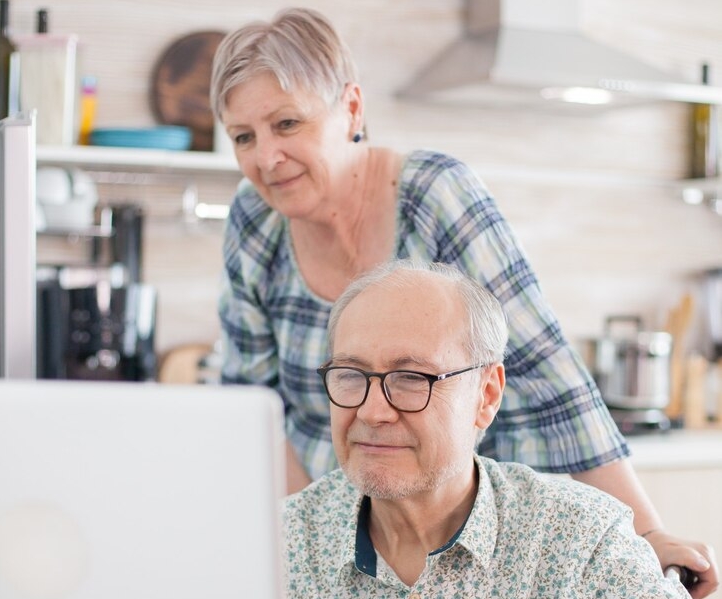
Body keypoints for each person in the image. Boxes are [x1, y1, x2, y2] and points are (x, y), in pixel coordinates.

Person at [210, 7, 717, 596]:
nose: (265, 158)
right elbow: (255, 407)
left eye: (287, 124)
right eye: (243, 137)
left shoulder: (434, 193)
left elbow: (551, 376)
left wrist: (647, 533)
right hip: (352, 524)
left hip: (485, 530)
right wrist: (301, 552)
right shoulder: (253, 220)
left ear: (350, 108)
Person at [283, 258, 690, 598]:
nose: (372, 412)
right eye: (351, 374)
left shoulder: (582, 547)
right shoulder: (281, 543)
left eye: (411, 377)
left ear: (487, 395)